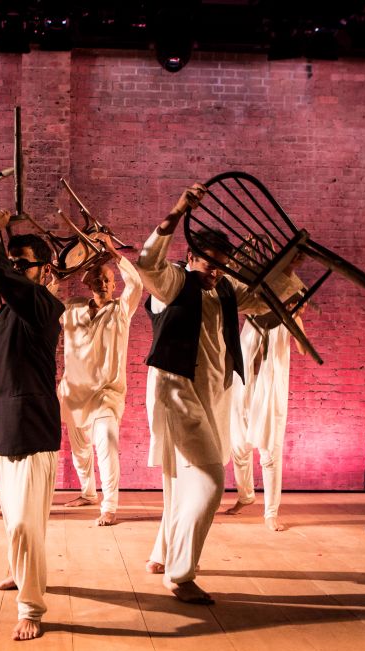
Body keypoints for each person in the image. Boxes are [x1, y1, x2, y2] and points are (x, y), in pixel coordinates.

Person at [136, 185, 269, 605]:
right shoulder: (175, 281)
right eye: (211, 264)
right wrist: (178, 209)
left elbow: (264, 297)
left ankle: (162, 553)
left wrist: (290, 265)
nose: (216, 272)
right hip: (177, 393)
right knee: (210, 480)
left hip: (214, 393)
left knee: (181, 481)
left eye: (222, 265)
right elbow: (147, 263)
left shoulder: (224, 288)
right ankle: (179, 575)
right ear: (192, 256)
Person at [0, 210, 64, 641]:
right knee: (15, 519)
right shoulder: (9, 312)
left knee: (27, 524)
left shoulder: (41, 304)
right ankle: (17, 570)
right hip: (3, 426)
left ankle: (31, 608)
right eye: (12, 262)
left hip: (31, 429)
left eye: (21, 263)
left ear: (44, 271)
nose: (12, 269)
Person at [59, 234, 143, 526]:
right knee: (80, 450)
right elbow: (44, 304)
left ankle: (110, 506)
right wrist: (57, 273)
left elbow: (137, 284)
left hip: (107, 393)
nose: (103, 284)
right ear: (88, 284)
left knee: (106, 443)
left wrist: (112, 253)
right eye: (98, 280)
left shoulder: (121, 310)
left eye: (108, 280)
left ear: (114, 285)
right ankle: (87, 493)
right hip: (73, 391)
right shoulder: (72, 308)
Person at [226, 286, 307, 531]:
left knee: (269, 451)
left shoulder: (290, 319)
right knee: (238, 447)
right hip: (243, 386)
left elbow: (303, 349)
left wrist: (295, 319)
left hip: (268, 389)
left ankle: (271, 513)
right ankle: (246, 495)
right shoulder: (253, 313)